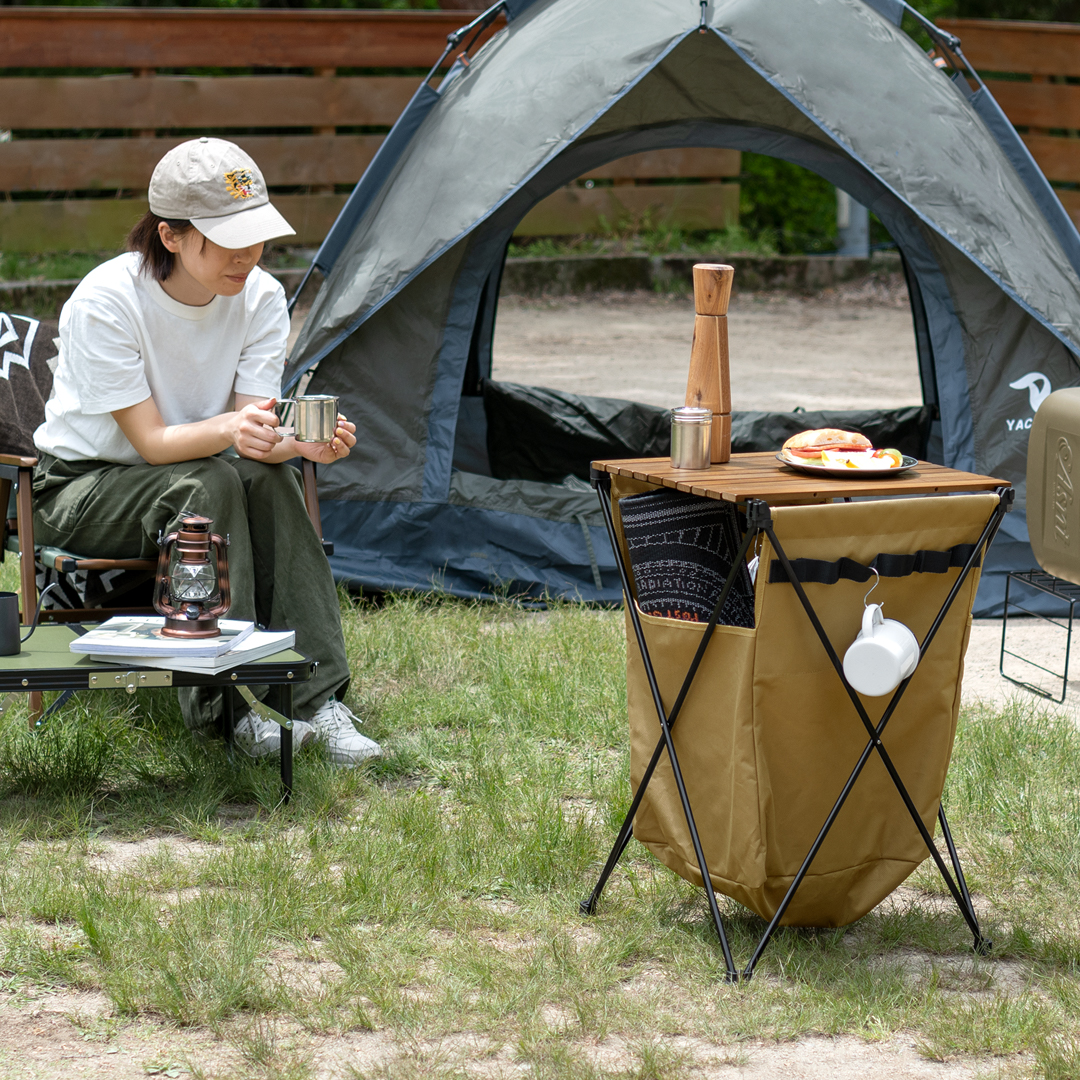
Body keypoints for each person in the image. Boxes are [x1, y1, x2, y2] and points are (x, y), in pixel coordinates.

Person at [32, 137, 378, 765]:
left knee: (270, 480)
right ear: (171, 236)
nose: (248, 253)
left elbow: (252, 436)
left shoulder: (262, 297)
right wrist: (234, 435)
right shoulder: (108, 300)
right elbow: (152, 443)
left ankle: (319, 702)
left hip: (196, 473)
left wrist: (302, 445)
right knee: (212, 484)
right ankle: (231, 711)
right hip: (82, 487)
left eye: (258, 234)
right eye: (227, 237)